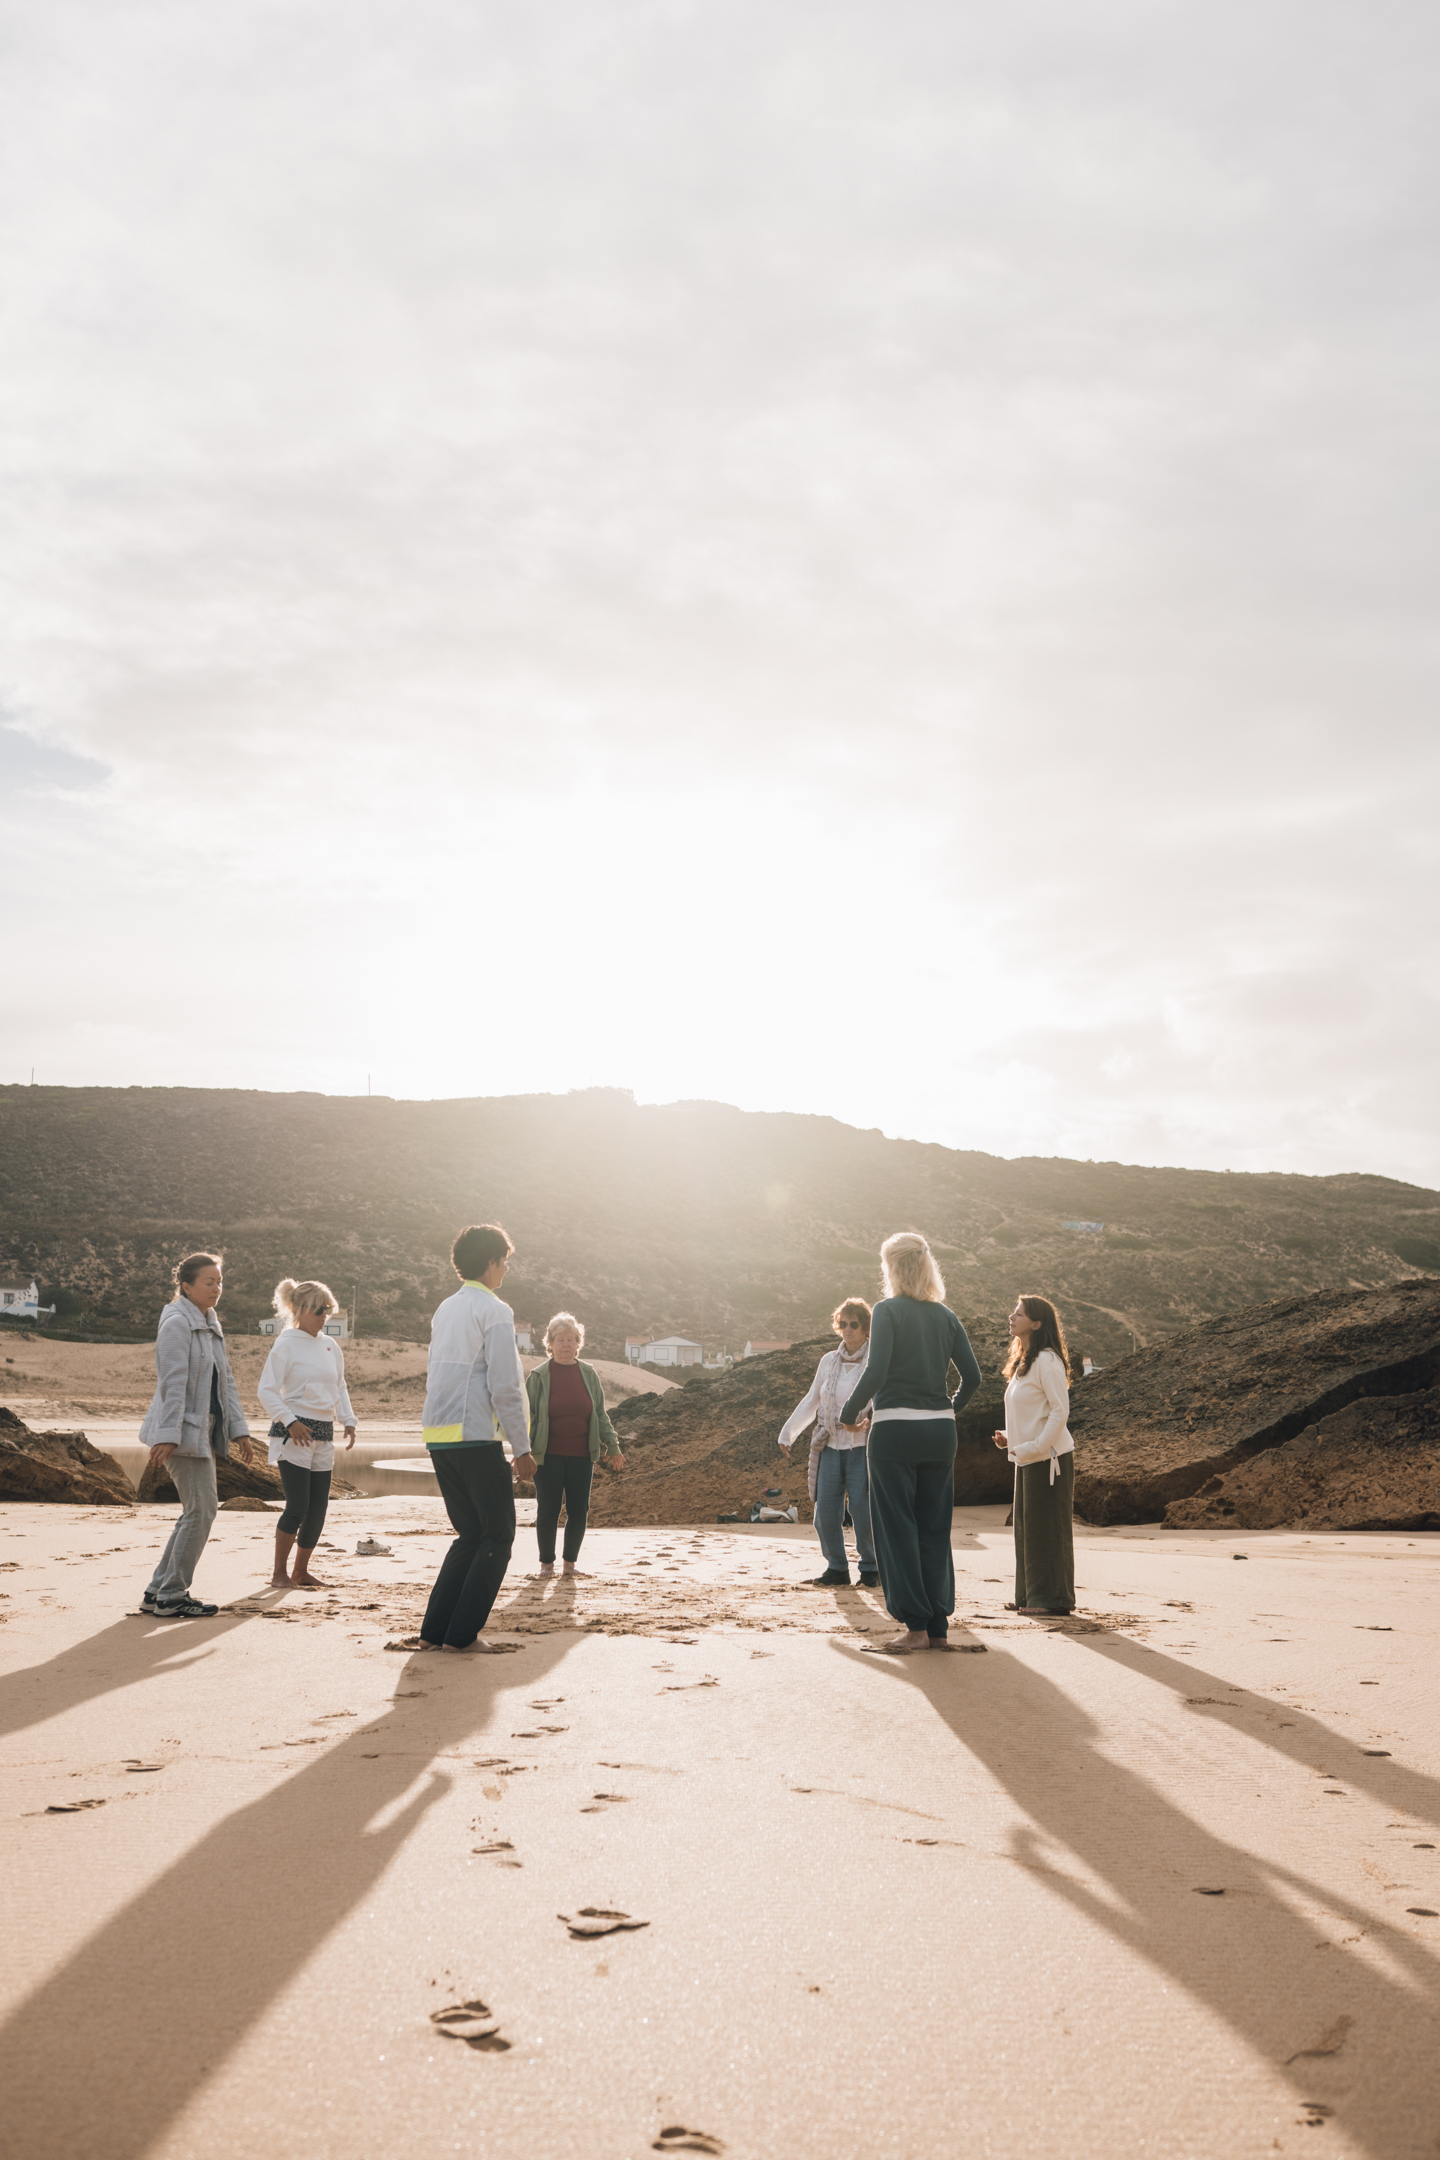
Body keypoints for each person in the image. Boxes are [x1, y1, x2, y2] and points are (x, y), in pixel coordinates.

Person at [840, 1231, 982, 1654]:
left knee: (897, 1528)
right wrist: (949, 1409)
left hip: (895, 1434)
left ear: (892, 1268)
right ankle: (937, 1628)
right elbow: (973, 1377)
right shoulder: (946, 1315)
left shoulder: (887, 1311)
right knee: (934, 1529)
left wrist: (849, 1413)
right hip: (940, 1434)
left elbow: (877, 1371)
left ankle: (915, 1628)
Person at [418, 1223, 533, 1651]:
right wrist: (522, 1447)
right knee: (498, 1536)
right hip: (475, 1436)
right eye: (505, 1261)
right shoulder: (495, 1310)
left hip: (439, 1434)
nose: (506, 1269)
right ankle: (462, 1637)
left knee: (470, 1535)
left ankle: (434, 1634)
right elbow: (505, 1385)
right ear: (491, 1261)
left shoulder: (445, 1308)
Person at [137, 1253, 254, 1619]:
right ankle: (172, 1595)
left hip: (202, 1432)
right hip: (181, 1434)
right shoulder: (176, 1323)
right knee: (202, 1510)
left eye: (220, 1282)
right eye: (209, 1282)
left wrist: (240, 1431)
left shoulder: (210, 1323)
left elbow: (226, 1382)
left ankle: (158, 1591)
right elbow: (172, 1383)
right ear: (186, 1287)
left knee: (197, 1510)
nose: (217, 1288)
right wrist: (168, 1434)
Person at [257, 1278, 357, 1589]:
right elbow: (266, 1390)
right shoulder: (286, 1344)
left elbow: (339, 1386)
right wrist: (290, 1422)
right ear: (299, 1309)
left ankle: (300, 1571)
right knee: (298, 1505)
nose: (324, 1316)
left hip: (323, 1433)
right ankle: (279, 1574)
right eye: (318, 1310)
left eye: (328, 1309)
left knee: (318, 1507)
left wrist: (348, 1419)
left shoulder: (330, 1345)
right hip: (293, 1433)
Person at [777, 1298, 879, 1587]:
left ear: (866, 1327)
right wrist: (788, 1433)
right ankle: (836, 1568)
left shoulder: (876, 1361)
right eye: (843, 1324)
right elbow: (813, 1400)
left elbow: (882, 1404)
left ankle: (871, 1568)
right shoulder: (828, 1361)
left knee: (863, 1511)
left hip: (862, 1447)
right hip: (830, 1445)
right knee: (825, 1512)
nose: (848, 1329)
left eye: (854, 1324)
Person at [991, 1294, 1075, 1616]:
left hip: (1049, 1458)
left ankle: (1051, 1600)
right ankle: (1029, 1596)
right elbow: (1031, 1413)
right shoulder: (1024, 1362)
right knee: (1026, 1531)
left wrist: (1036, 1446)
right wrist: (1010, 1438)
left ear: (1037, 1324)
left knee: (1046, 1531)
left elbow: (1059, 1411)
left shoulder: (1048, 1361)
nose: (1012, 1317)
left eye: (1019, 1314)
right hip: (1027, 1457)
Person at [525, 1311, 624, 1576]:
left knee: (579, 1510)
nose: (566, 1344)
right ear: (550, 1343)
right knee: (548, 1509)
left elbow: (600, 1414)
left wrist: (612, 1445)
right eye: (560, 1339)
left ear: (578, 1343)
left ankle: (570, 1565)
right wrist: (522, 1452)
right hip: (547, 1456)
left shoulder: (588, 1374)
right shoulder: (538, 1377)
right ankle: (546, 1565)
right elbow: (527, 1418)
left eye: (571, 1339)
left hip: (582, 1455)